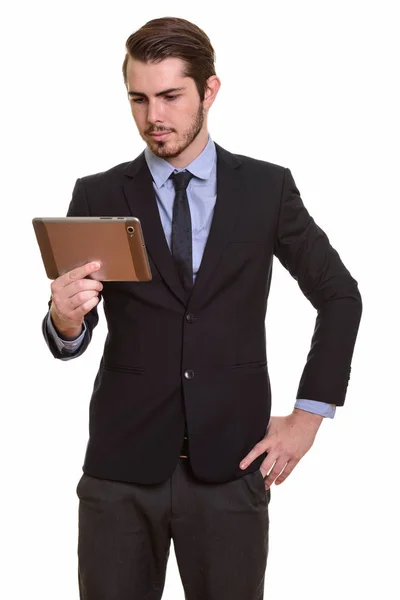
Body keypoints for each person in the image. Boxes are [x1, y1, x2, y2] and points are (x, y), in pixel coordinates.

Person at [42, 16, 362, 600]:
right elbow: (75, 324)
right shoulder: (99, 193)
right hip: (120, 471)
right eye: (138, 99)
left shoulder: (266, 190)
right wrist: (64, 320)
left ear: (209, 91)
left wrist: (307, 418)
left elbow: (340, 295)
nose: (152, 118)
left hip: (231, 468)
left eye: (169, 96)